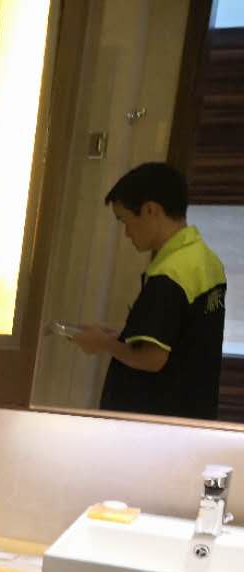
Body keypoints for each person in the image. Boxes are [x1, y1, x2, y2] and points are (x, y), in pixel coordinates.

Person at [73, 162, 227, 420]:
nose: (126, 233)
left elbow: (152, 359)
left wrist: (103, 343)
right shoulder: (204, 259)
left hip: (156, 419)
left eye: (125, 220)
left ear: (150, 210)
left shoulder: (170, 273)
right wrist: (121, 337)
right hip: (191, 411)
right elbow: (181, 337)